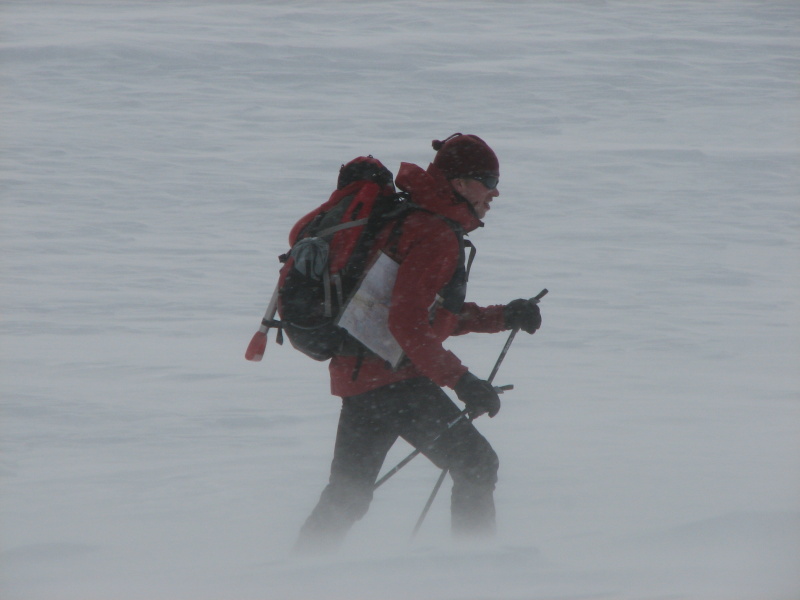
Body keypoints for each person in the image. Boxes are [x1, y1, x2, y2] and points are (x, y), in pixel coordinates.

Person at [294, 133, 542, 552]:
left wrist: (502, 316)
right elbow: (407, 325)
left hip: (361, 378)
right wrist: (462, 381)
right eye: (486, 179)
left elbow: (422, 315)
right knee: (477, 465)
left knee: (347, 496)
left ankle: (293, 578)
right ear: (459, 184)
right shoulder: (434, 233)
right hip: (395, 382)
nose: (494, 191)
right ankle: (475, 571)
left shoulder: (408, 217)